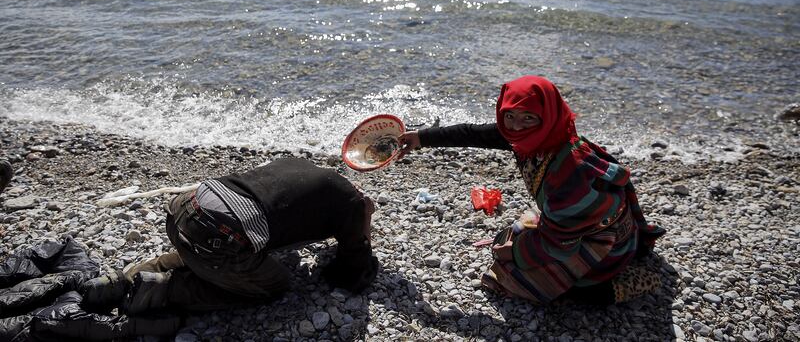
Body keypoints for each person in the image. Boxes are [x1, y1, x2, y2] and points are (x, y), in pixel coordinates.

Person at [399, 75, 665, 306]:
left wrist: (515, 253)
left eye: (528, 117)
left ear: (547, 115)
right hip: (572, 221)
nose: (515, 126)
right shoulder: (536, 135)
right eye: (509, 115)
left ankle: (634, 278)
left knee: (550, 285)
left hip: (604, 237)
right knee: (509, 244)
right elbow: (474, 134)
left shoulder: (569, 173)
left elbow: (558, 246)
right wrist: (421, 138)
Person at [82, 157, 378, 314]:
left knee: (215, 247)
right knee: (274, 283)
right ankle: (164, 290)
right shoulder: (349, 203)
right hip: (217, 235)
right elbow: (353, 271)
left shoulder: (297, 166)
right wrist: (364, 217)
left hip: (184, 208)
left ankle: (124, 278)